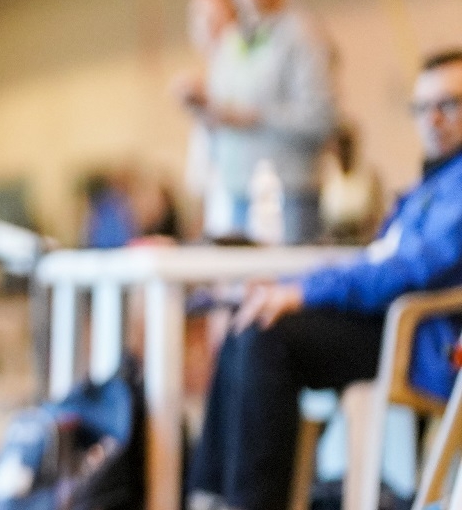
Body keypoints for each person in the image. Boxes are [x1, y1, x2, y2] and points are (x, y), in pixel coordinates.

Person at [189, 50, 462, 510]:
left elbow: (411, 269)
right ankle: (211, 497)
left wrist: (304, 291)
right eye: (422, 107)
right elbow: (373, 259)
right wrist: (283, 287)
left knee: (267, 334)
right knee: (251, 316)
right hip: (380, 319)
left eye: (449, 104)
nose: (432, 119)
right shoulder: (425, 189)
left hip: (417, 338)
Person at [183, 0, 335, 242]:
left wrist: (250, 117)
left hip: (288, 199)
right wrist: (201, 108)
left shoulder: (303, 34)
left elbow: (321, 119)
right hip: (235, 195)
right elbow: (221, 119)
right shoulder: (232, 40)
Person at [175, 0, 239, 237]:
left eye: (215, 16)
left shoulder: (244, 83)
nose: (206, 25)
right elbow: (204, 180)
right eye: (198, 17)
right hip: (217, 215)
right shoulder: (204, 83)